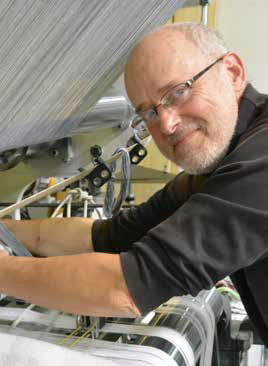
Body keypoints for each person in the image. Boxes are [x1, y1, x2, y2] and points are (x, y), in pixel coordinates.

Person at [1, 21, 268, 344]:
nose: (167, 124)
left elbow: (126, 288)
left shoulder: (259, 160)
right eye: (149, 114)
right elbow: (111, 235)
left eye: (178, 92)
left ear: (233, 72)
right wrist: (6, 231)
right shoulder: (219, 166)